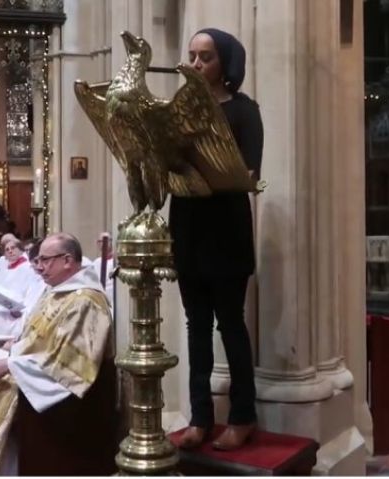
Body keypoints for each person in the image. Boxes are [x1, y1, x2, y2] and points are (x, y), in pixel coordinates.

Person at [169, 28, 263, 451]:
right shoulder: (180, 109)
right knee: (196, 328)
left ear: (225, 63)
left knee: (230, 325)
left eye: (204, 57)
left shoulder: (245, 111)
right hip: (188, 227)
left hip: (226, 230)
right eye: (191, 56)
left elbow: (249, 172)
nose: (194, 65)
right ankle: (200, 417)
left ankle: (243, 416)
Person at [0, 233, 115, 476]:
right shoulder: (58, 291)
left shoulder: (85, 301)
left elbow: (71, 363)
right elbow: (39, 338)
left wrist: (10, 365)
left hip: (67, 397)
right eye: (37, 260)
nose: (38, 268)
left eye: (45, 260)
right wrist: (13, 347)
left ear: (68, 260)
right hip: (33, 371)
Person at [90, 232, 114, 308]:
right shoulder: (95, 263)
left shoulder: (116, 262)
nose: (103, 244)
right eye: (100, 241)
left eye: (106, 240)